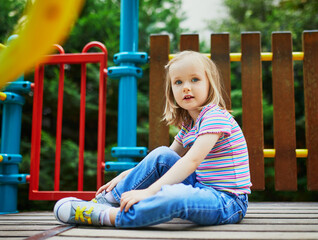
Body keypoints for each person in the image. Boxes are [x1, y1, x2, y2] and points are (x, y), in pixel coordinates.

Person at [53, 50, 252, 228]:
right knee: (162, 154)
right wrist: (125, 175)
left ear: (210, 84)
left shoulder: (214, 116)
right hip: (201, 188)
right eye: (178, 82)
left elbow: (191, 162)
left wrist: (149, 191)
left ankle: (109, 216)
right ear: (172, 90)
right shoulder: (190, 124)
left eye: (195, 80)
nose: (186, 88)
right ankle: (106, 202)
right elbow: (167, 158)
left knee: (174, 197)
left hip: (228, 201)